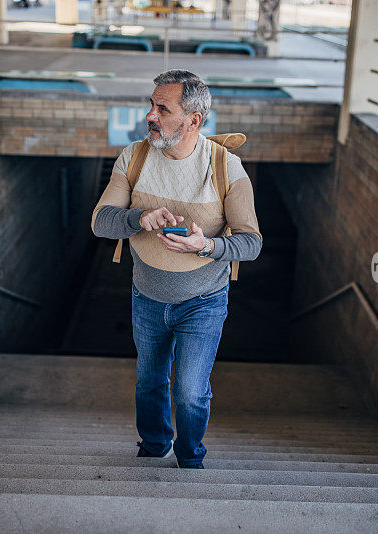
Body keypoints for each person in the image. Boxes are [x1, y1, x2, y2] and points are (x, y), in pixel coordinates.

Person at [90, 70, 262, 468]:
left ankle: (189, 456)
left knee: (188, 392)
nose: (149, 115)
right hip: (145, 298)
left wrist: (206, 245)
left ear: (193, 120)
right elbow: (101, 222)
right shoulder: (133, 157)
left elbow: (251, 243)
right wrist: (141, 217)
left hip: (203, 302)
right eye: (151, 104)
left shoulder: (226, 168)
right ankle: (153, 447)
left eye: (162, 108)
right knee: (149, 382)